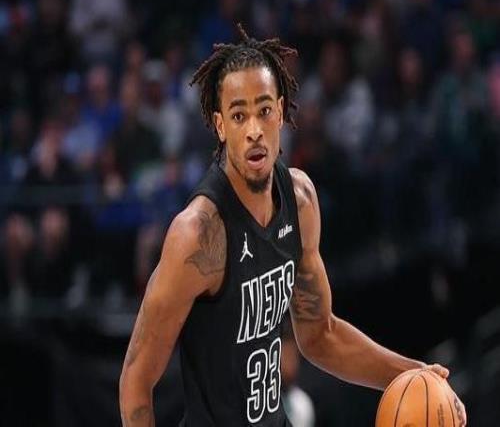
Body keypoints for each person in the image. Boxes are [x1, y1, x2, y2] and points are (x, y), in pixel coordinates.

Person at [119, 24, 467, 426]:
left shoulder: (299, 200)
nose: (254, 130)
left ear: (282, 112)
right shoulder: (198, 234)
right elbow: (135, 381)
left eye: (264, 110)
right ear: (220, 125)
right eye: (238, 115)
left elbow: (321, 335)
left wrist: (416, 373)